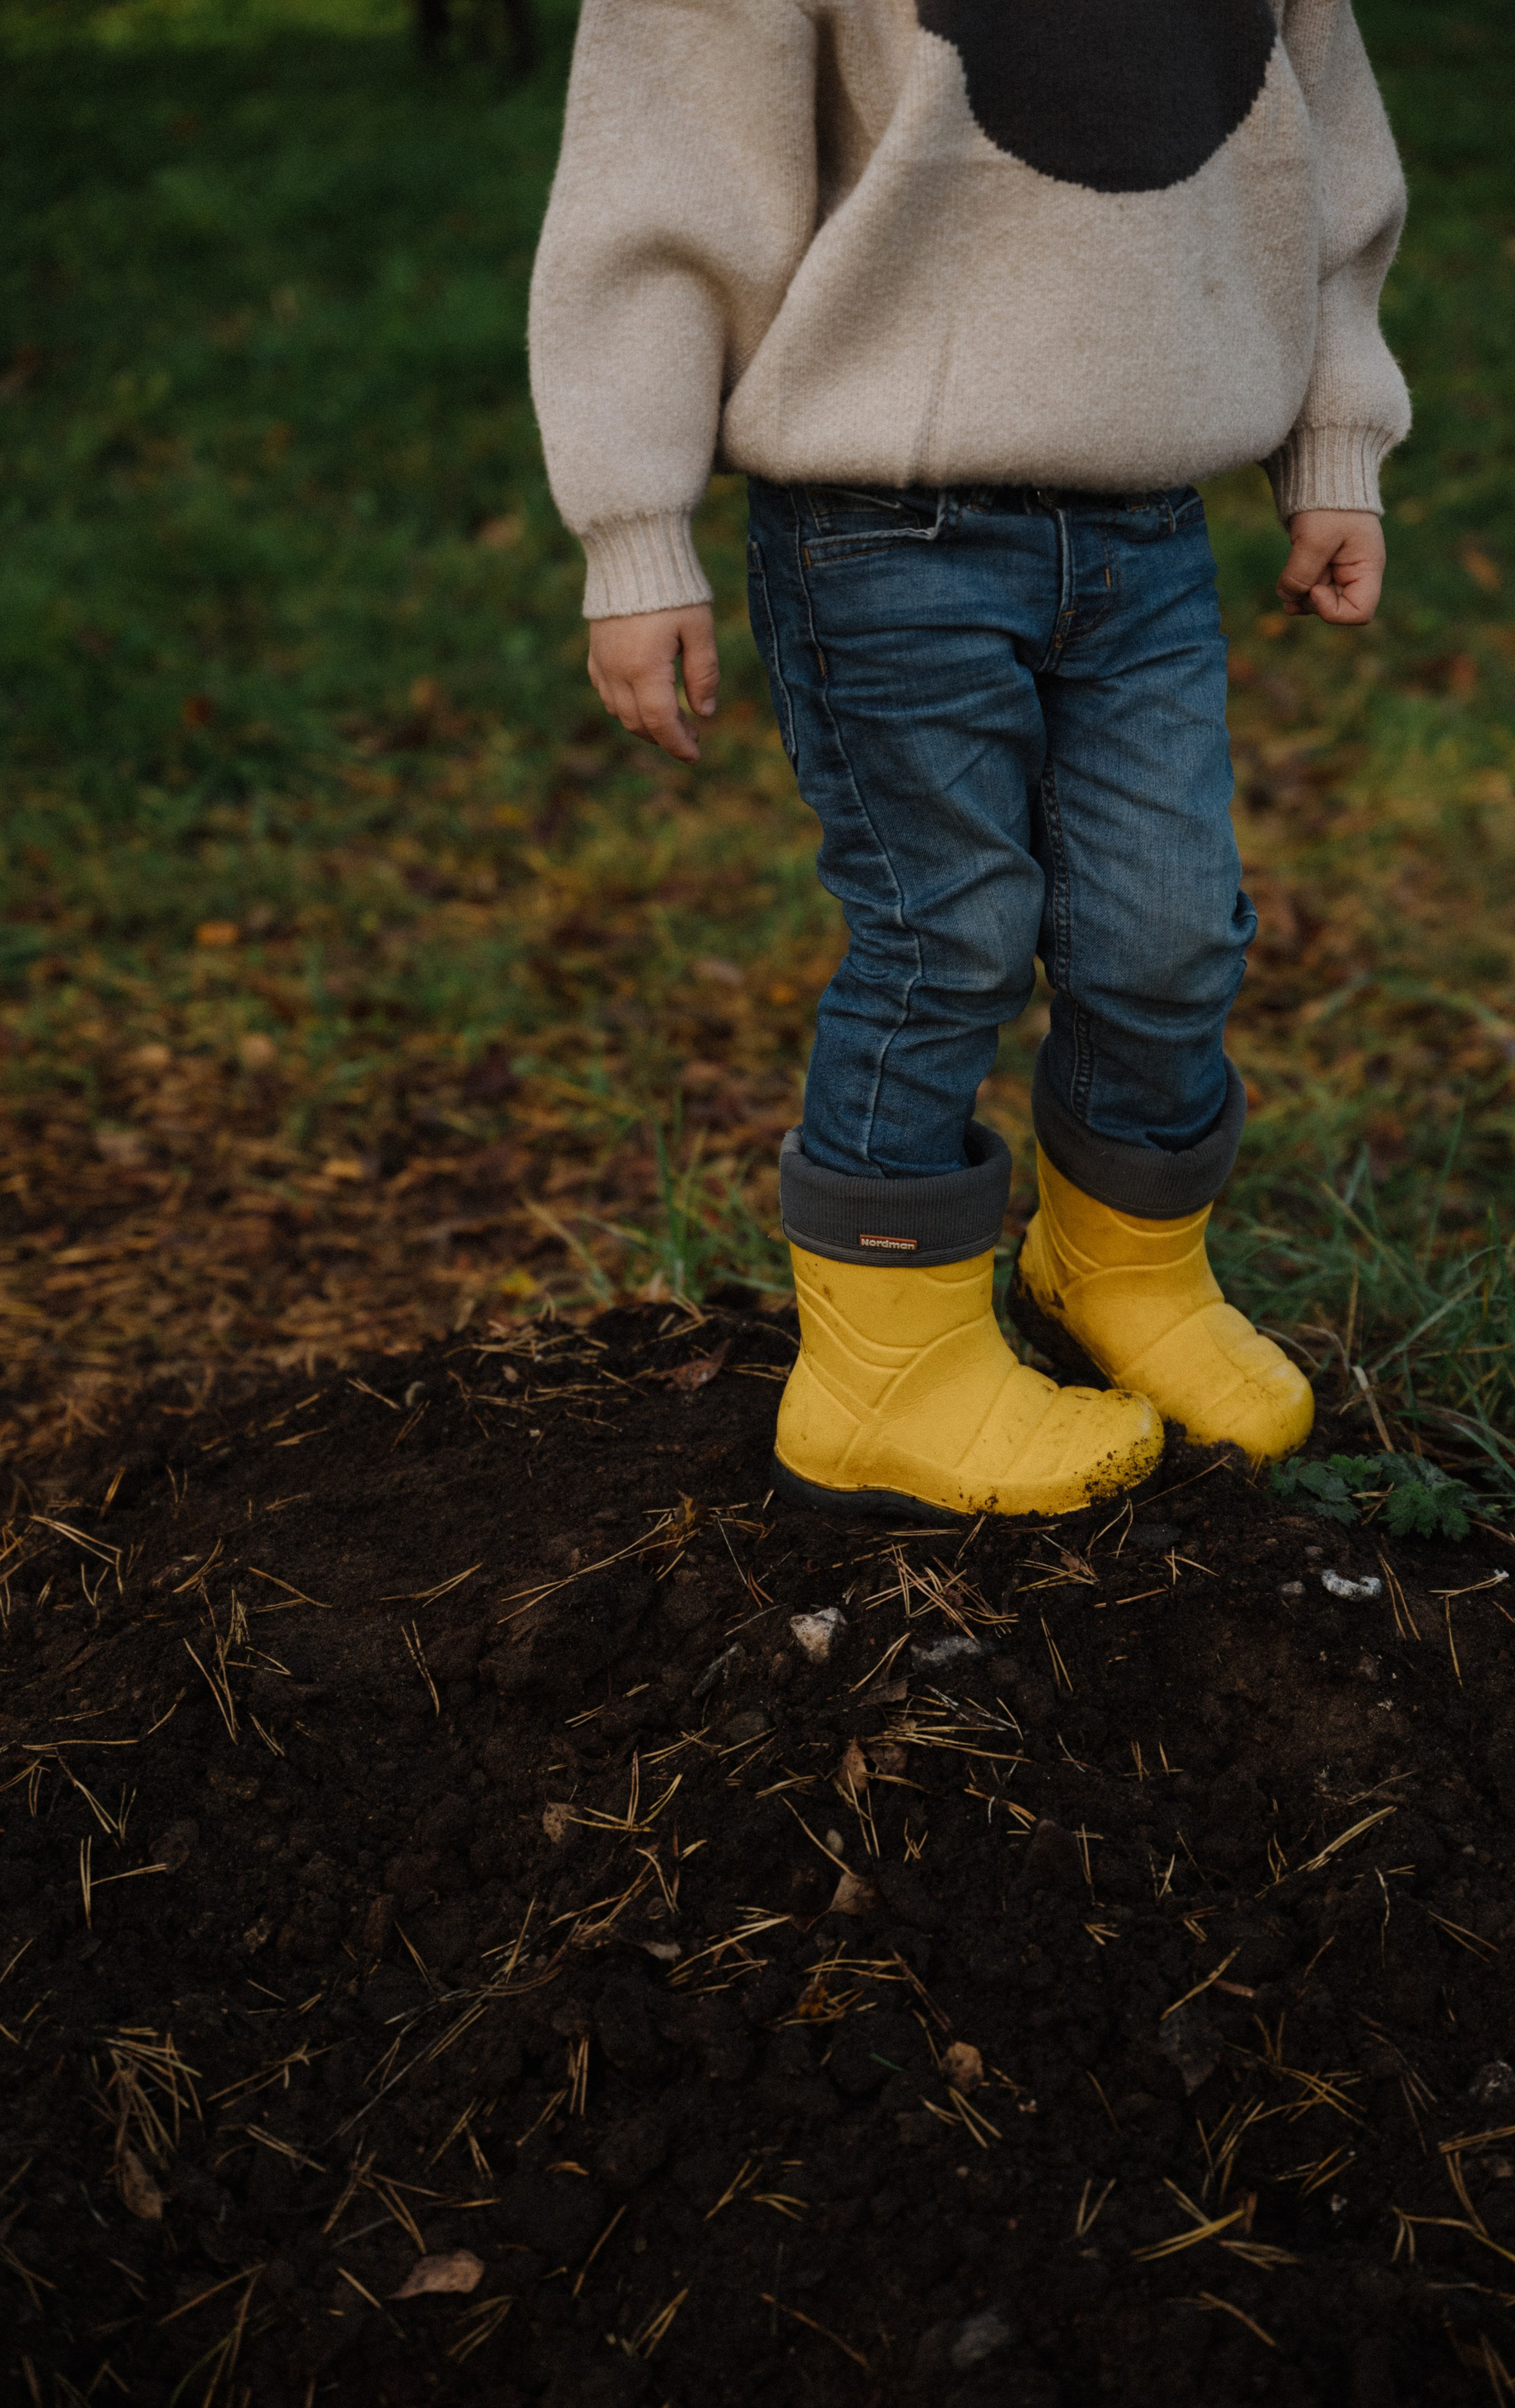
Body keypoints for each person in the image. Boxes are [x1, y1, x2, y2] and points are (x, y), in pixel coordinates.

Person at [529, 0, 1409, 1522]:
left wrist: (1333, 437)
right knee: (945, 933)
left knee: (1169, 927)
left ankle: (1119, 1265)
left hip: (1146, 517)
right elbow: (666, 167)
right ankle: (883, 1366)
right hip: (877, 522)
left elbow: (1311, 147)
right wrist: (634, 522)